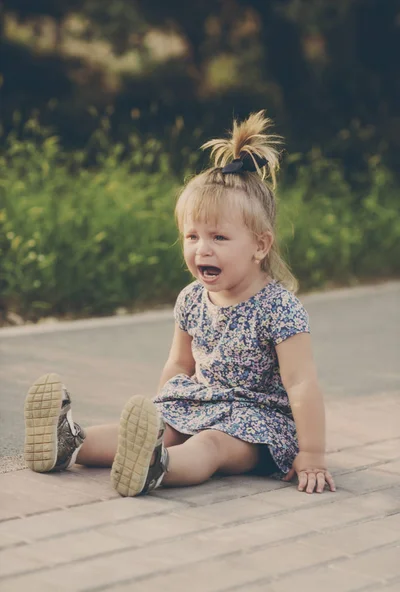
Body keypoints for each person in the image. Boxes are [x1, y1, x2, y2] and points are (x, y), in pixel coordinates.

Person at [24, 111, 336, 497]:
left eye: (219, 237)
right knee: (165, 429)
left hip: (256, 423)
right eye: (192, 236)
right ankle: (70, 444)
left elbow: (302, 383)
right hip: (199, 402)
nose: (202, 248)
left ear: (260, 245)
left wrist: (313, 454)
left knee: (210, 444)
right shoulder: (191, 297)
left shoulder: (279, 308)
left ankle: (157, 467)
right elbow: (179, 363)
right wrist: (161, 412)